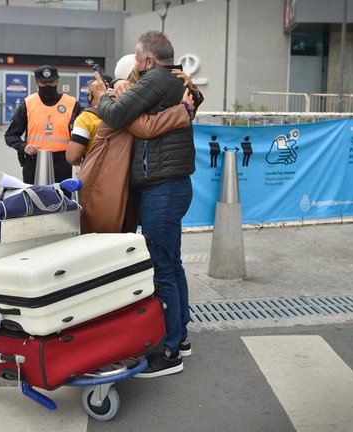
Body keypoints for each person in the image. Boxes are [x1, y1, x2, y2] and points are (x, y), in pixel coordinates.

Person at [92, 31, 200, 378]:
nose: (136, 69)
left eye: (138, 61)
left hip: (162, 190)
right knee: (173, 263)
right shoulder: (175, 80)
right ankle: (180, 336)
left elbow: (115, 115)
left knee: (163, 269)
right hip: (172, 187)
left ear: (149, 61)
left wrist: (102, 95)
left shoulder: (155, 79)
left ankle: (169, 351)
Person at [79, 55, 197, 235]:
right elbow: (146, 127)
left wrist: (191, 89)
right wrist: (182, 110)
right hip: (104, 184)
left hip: (118, 183)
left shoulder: (132, 101)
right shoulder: (119, 102)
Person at [5, 65, 81, 184]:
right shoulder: (28, 104)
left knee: (64, 200)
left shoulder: (71, 103)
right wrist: (23, 146)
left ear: (57, 81)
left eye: (51, 82)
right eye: (43, 83)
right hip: (34, 162)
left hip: (63, 164)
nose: (48, 86)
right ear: (37, 84)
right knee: (34, 199)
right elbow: (10, 135)